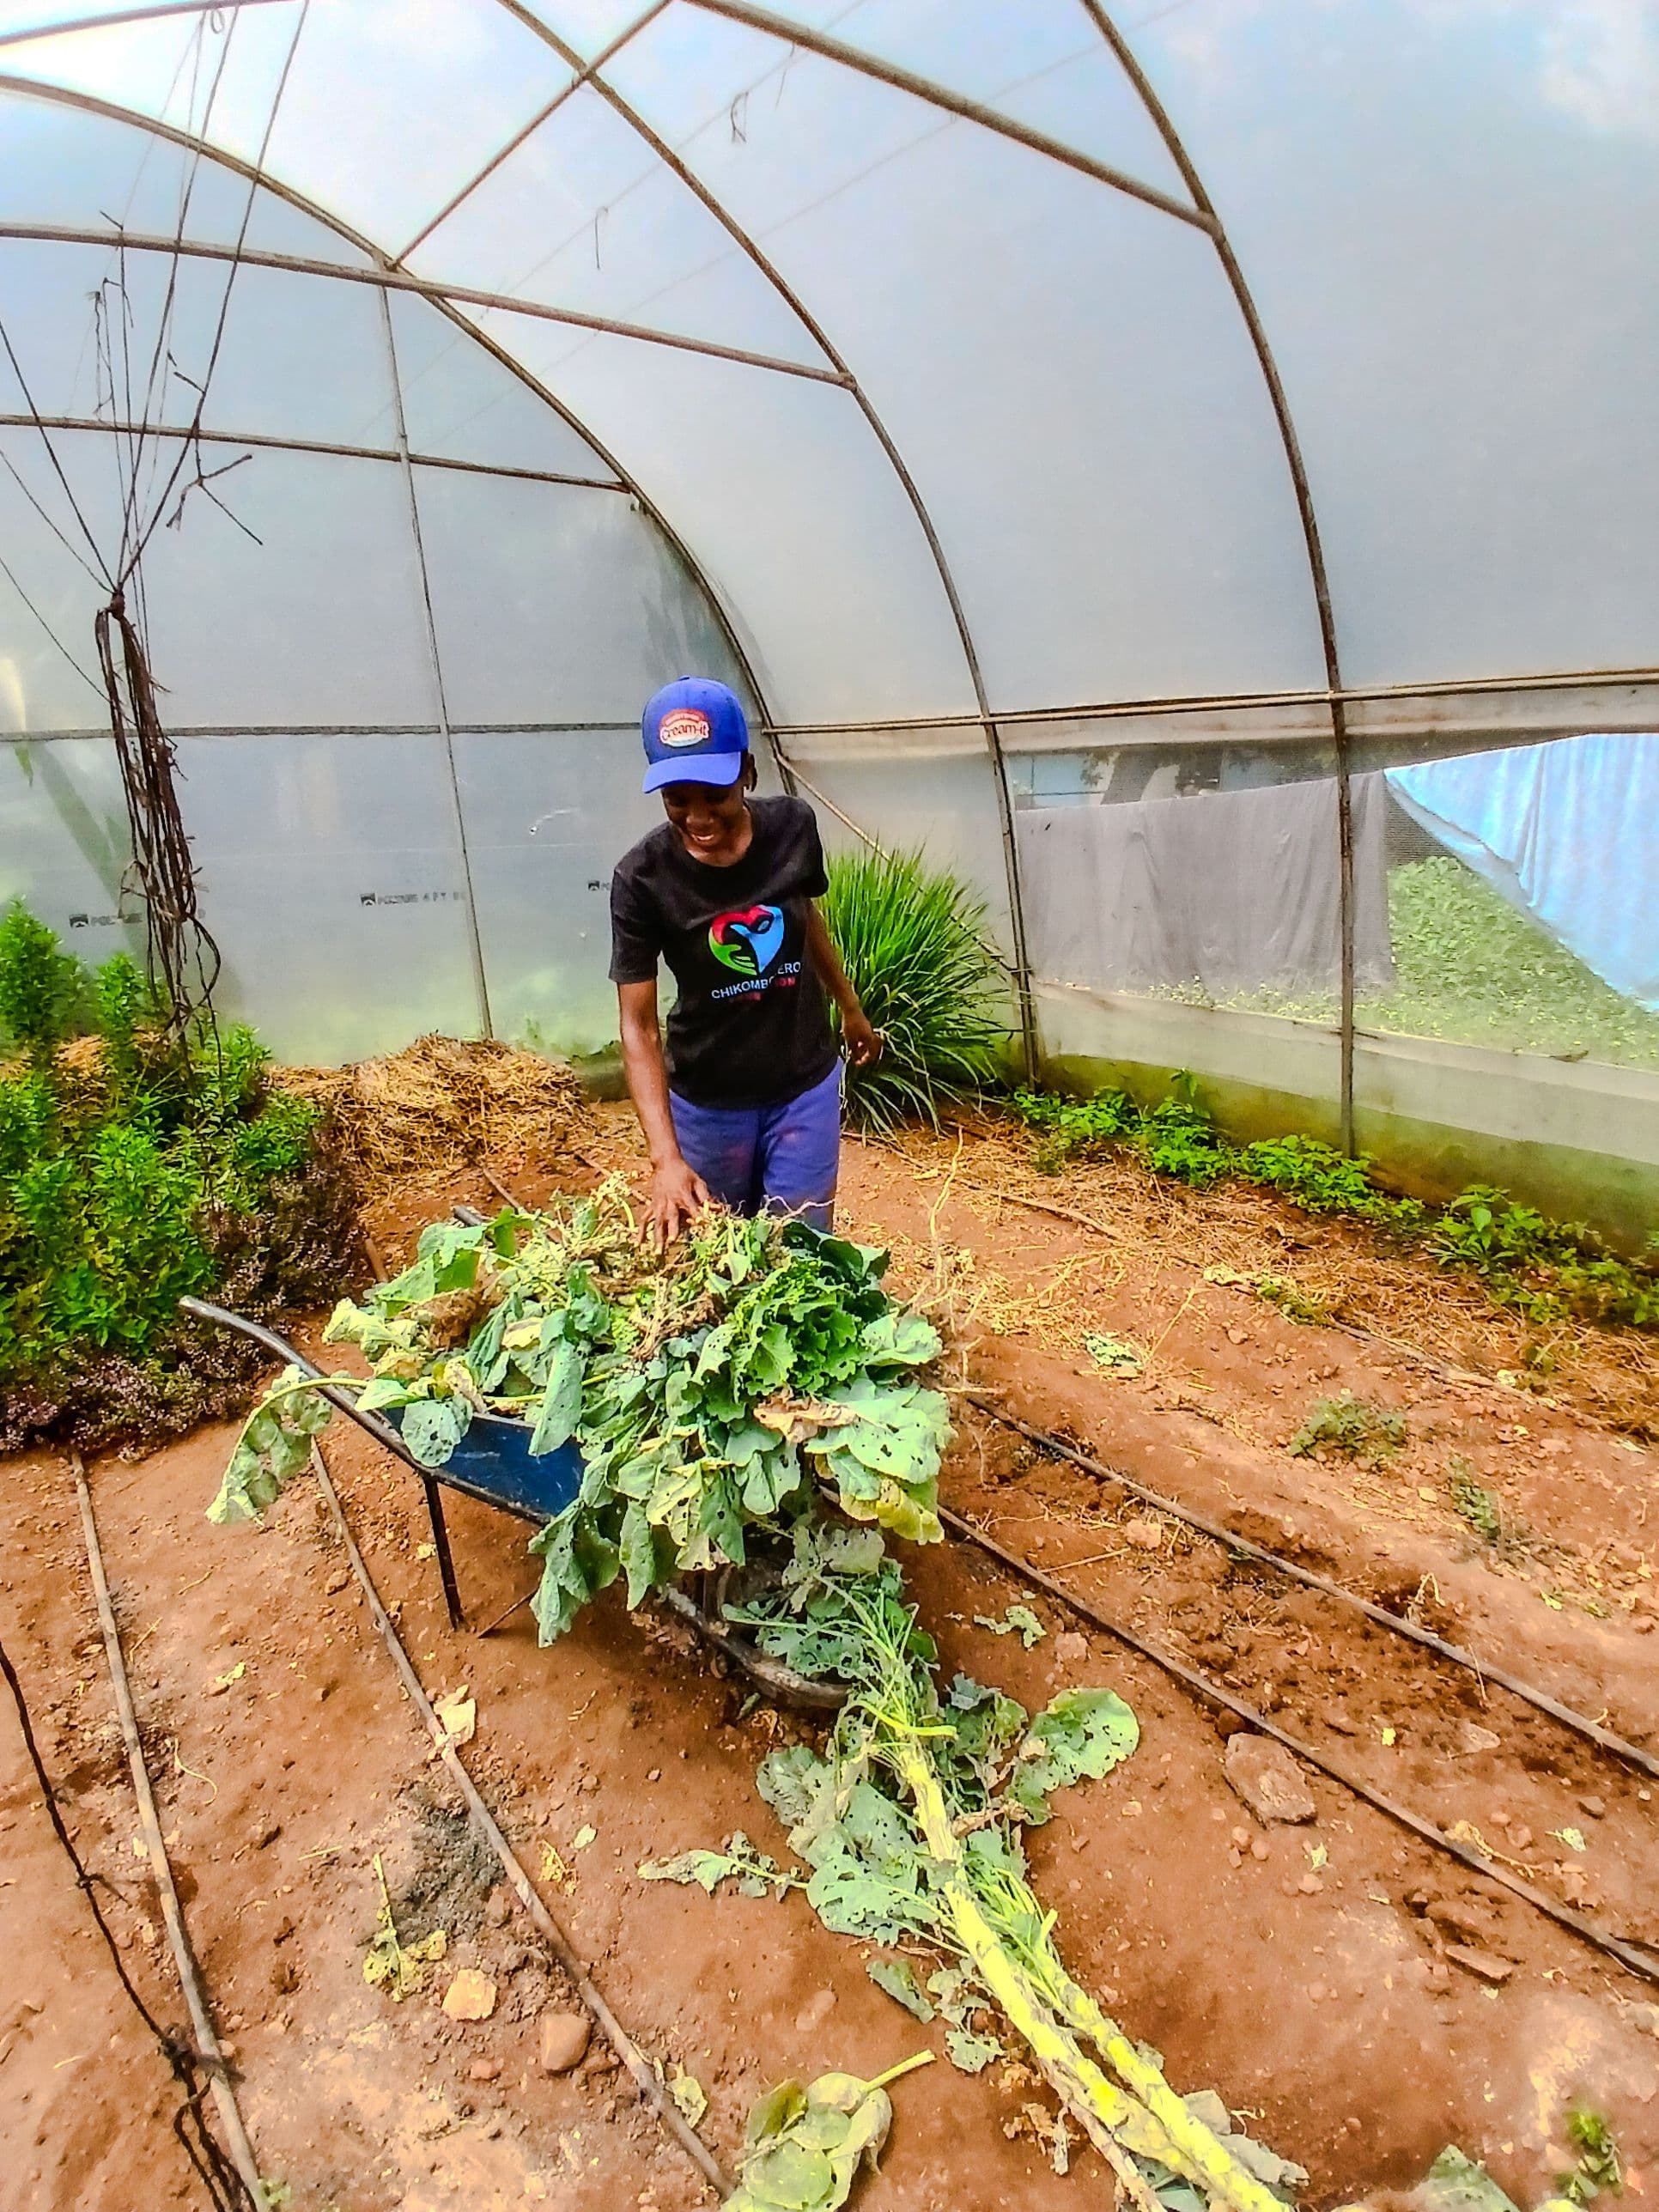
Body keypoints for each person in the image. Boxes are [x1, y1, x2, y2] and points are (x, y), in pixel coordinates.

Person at [609, 675, 882, 1245]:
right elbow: (638, 1027)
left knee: (800, 1252)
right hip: (708, 1103)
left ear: (747, 772)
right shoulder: (642, 879)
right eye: (677, 799)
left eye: (716, 795)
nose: (698, 816)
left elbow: (805, 919)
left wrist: (851, 1009)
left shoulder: (792, 828)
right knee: (715, 1256)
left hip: (802, 1086)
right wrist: (665, 1161)